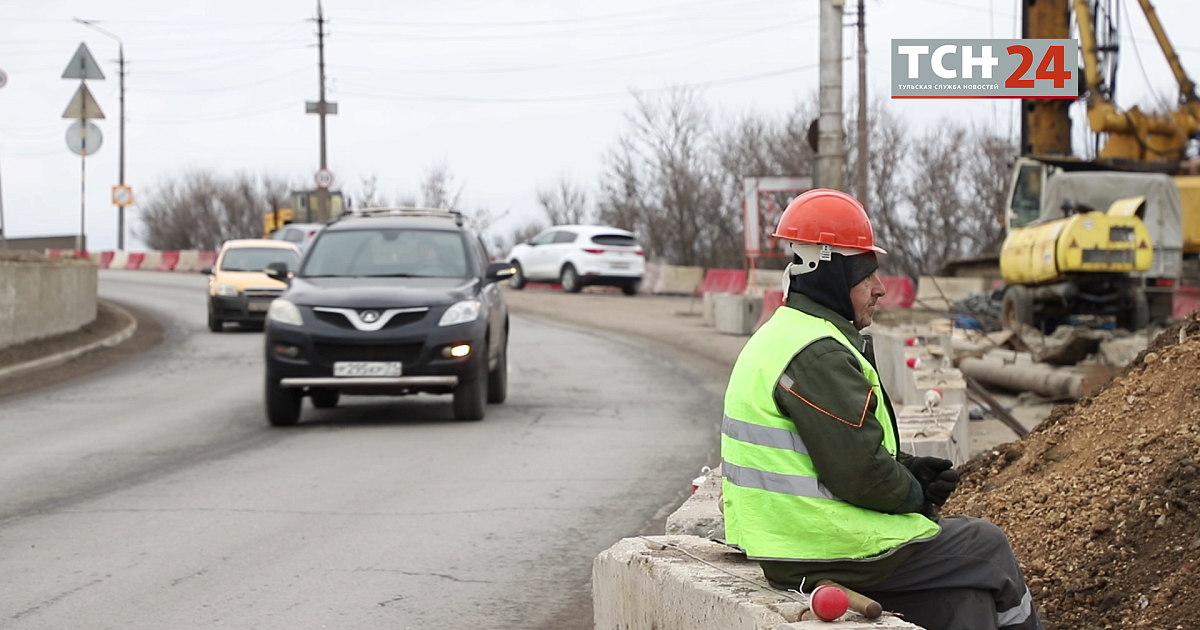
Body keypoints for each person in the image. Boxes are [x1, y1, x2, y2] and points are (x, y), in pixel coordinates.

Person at [720, 189, 1043, 630]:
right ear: (831, 275)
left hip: (790, 543)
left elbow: (832, 448)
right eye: (866, 274)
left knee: (968, 597)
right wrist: (917, 494)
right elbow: (863, 476)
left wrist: (909, 467)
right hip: (824, 548)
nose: (880, 288)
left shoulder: (783, 334)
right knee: (986, 546)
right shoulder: (818, 354)